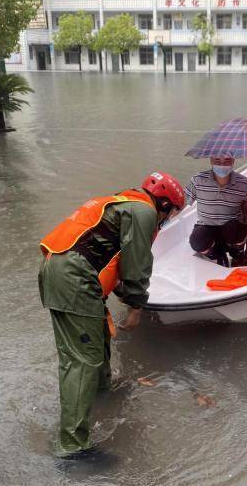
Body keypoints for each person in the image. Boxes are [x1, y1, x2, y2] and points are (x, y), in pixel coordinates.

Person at [38, 172, 185, 457]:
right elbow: (137, 265)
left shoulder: (121, 203)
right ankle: (72, 446)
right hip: (74, 279)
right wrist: (136, 307)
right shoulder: (144, 212)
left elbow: (106, 257)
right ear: (165, 205)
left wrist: (122, 292)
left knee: (95, 344)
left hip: (61, 272)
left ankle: (103, 393)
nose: (168, 220)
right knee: (83, 362)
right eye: (173, 213)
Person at [186, 156, 247, 267]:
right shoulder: (197, 180)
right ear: (211, 161)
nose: (222, 164)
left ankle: (237, 254)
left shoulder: (244, 183)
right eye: (217, 160)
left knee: (235, 228)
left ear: (233, 161)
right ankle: (216, 255)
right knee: (197, 240)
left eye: (227, 160)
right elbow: (182, 204)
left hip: (230, 229)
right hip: (207, 227)